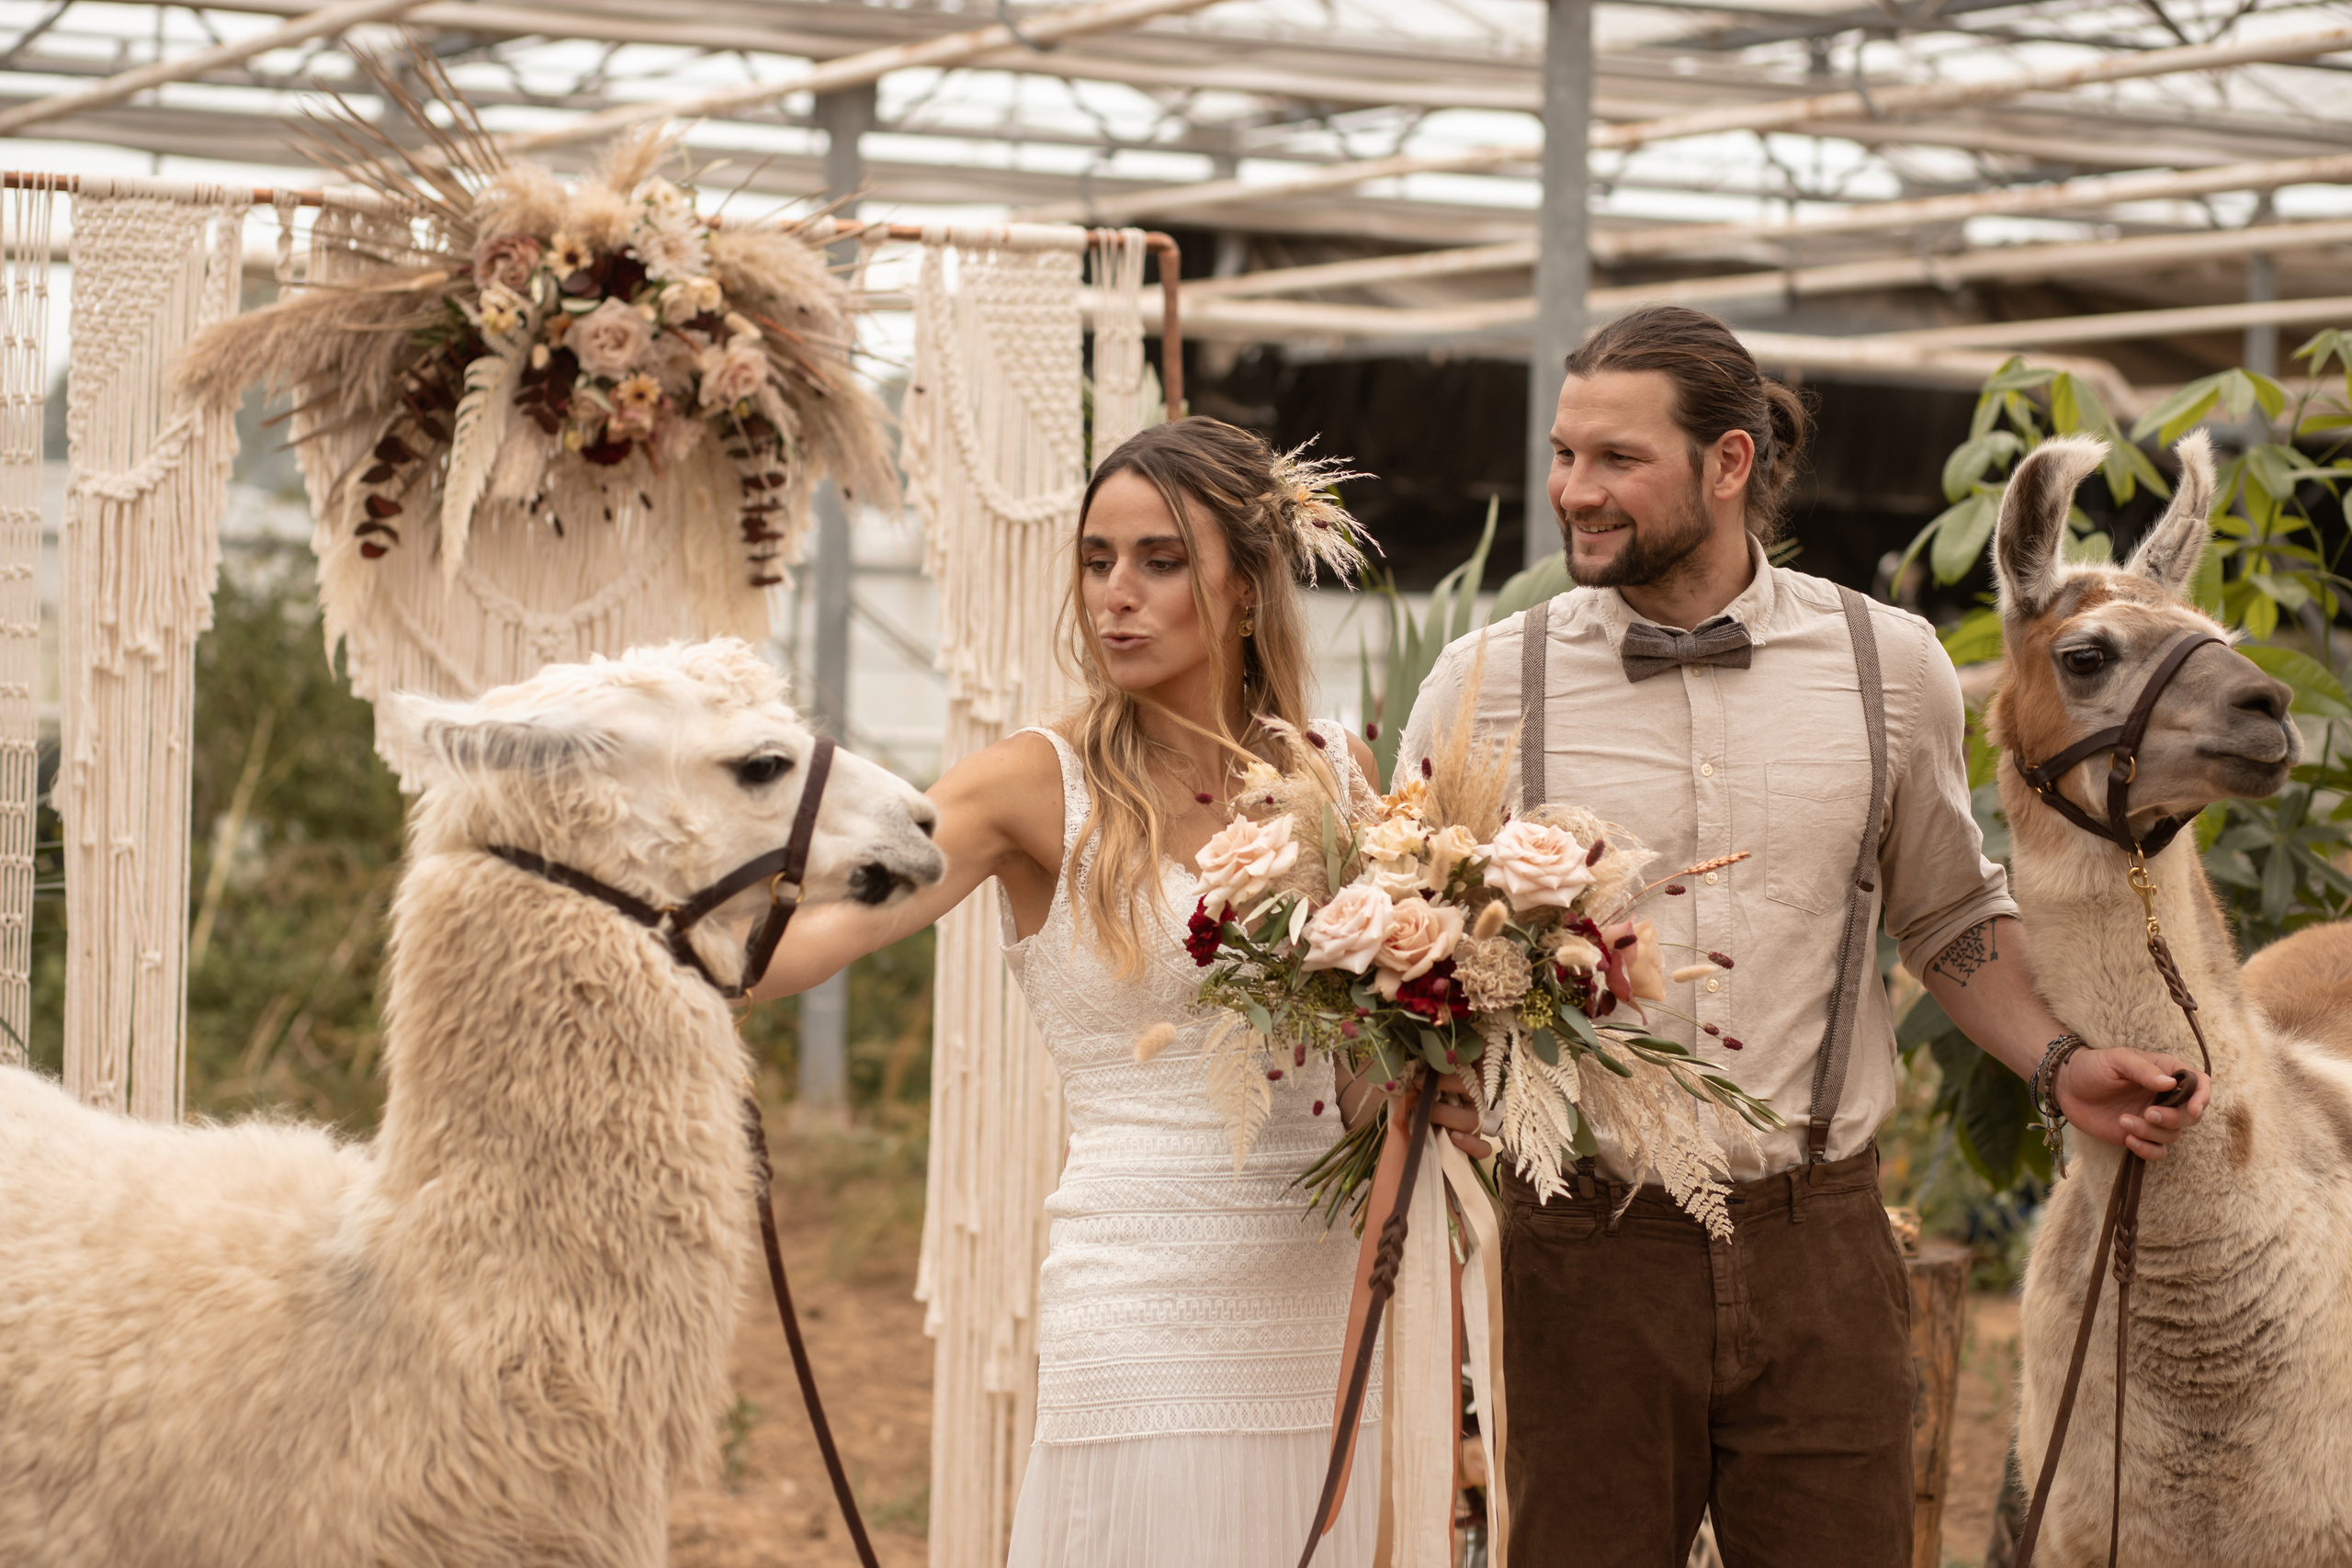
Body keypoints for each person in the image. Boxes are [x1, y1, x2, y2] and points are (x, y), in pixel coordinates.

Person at [1397, 305, 2210, 1566]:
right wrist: (1436, 1052)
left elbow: (1947, 911)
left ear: (1731, 462)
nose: (1574, 491)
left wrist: (2061, 1061)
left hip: (1822, 1246)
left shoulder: (1889, 663)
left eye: (1617, 459)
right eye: (1566, 455)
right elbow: (1417, 936)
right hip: (1583, 1250)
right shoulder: (1485, 681)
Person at [752, 416, 1474, 1566]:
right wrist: (644, 928)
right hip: (1135, 1296)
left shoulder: (1334, 775)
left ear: (1243, 588)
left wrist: (1445, 1061)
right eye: (1097, 560)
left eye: (1159, 560)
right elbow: (802, 946)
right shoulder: (1029, 785)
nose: (1115, 596)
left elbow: (1357, 1068)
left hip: (1320, 1288)